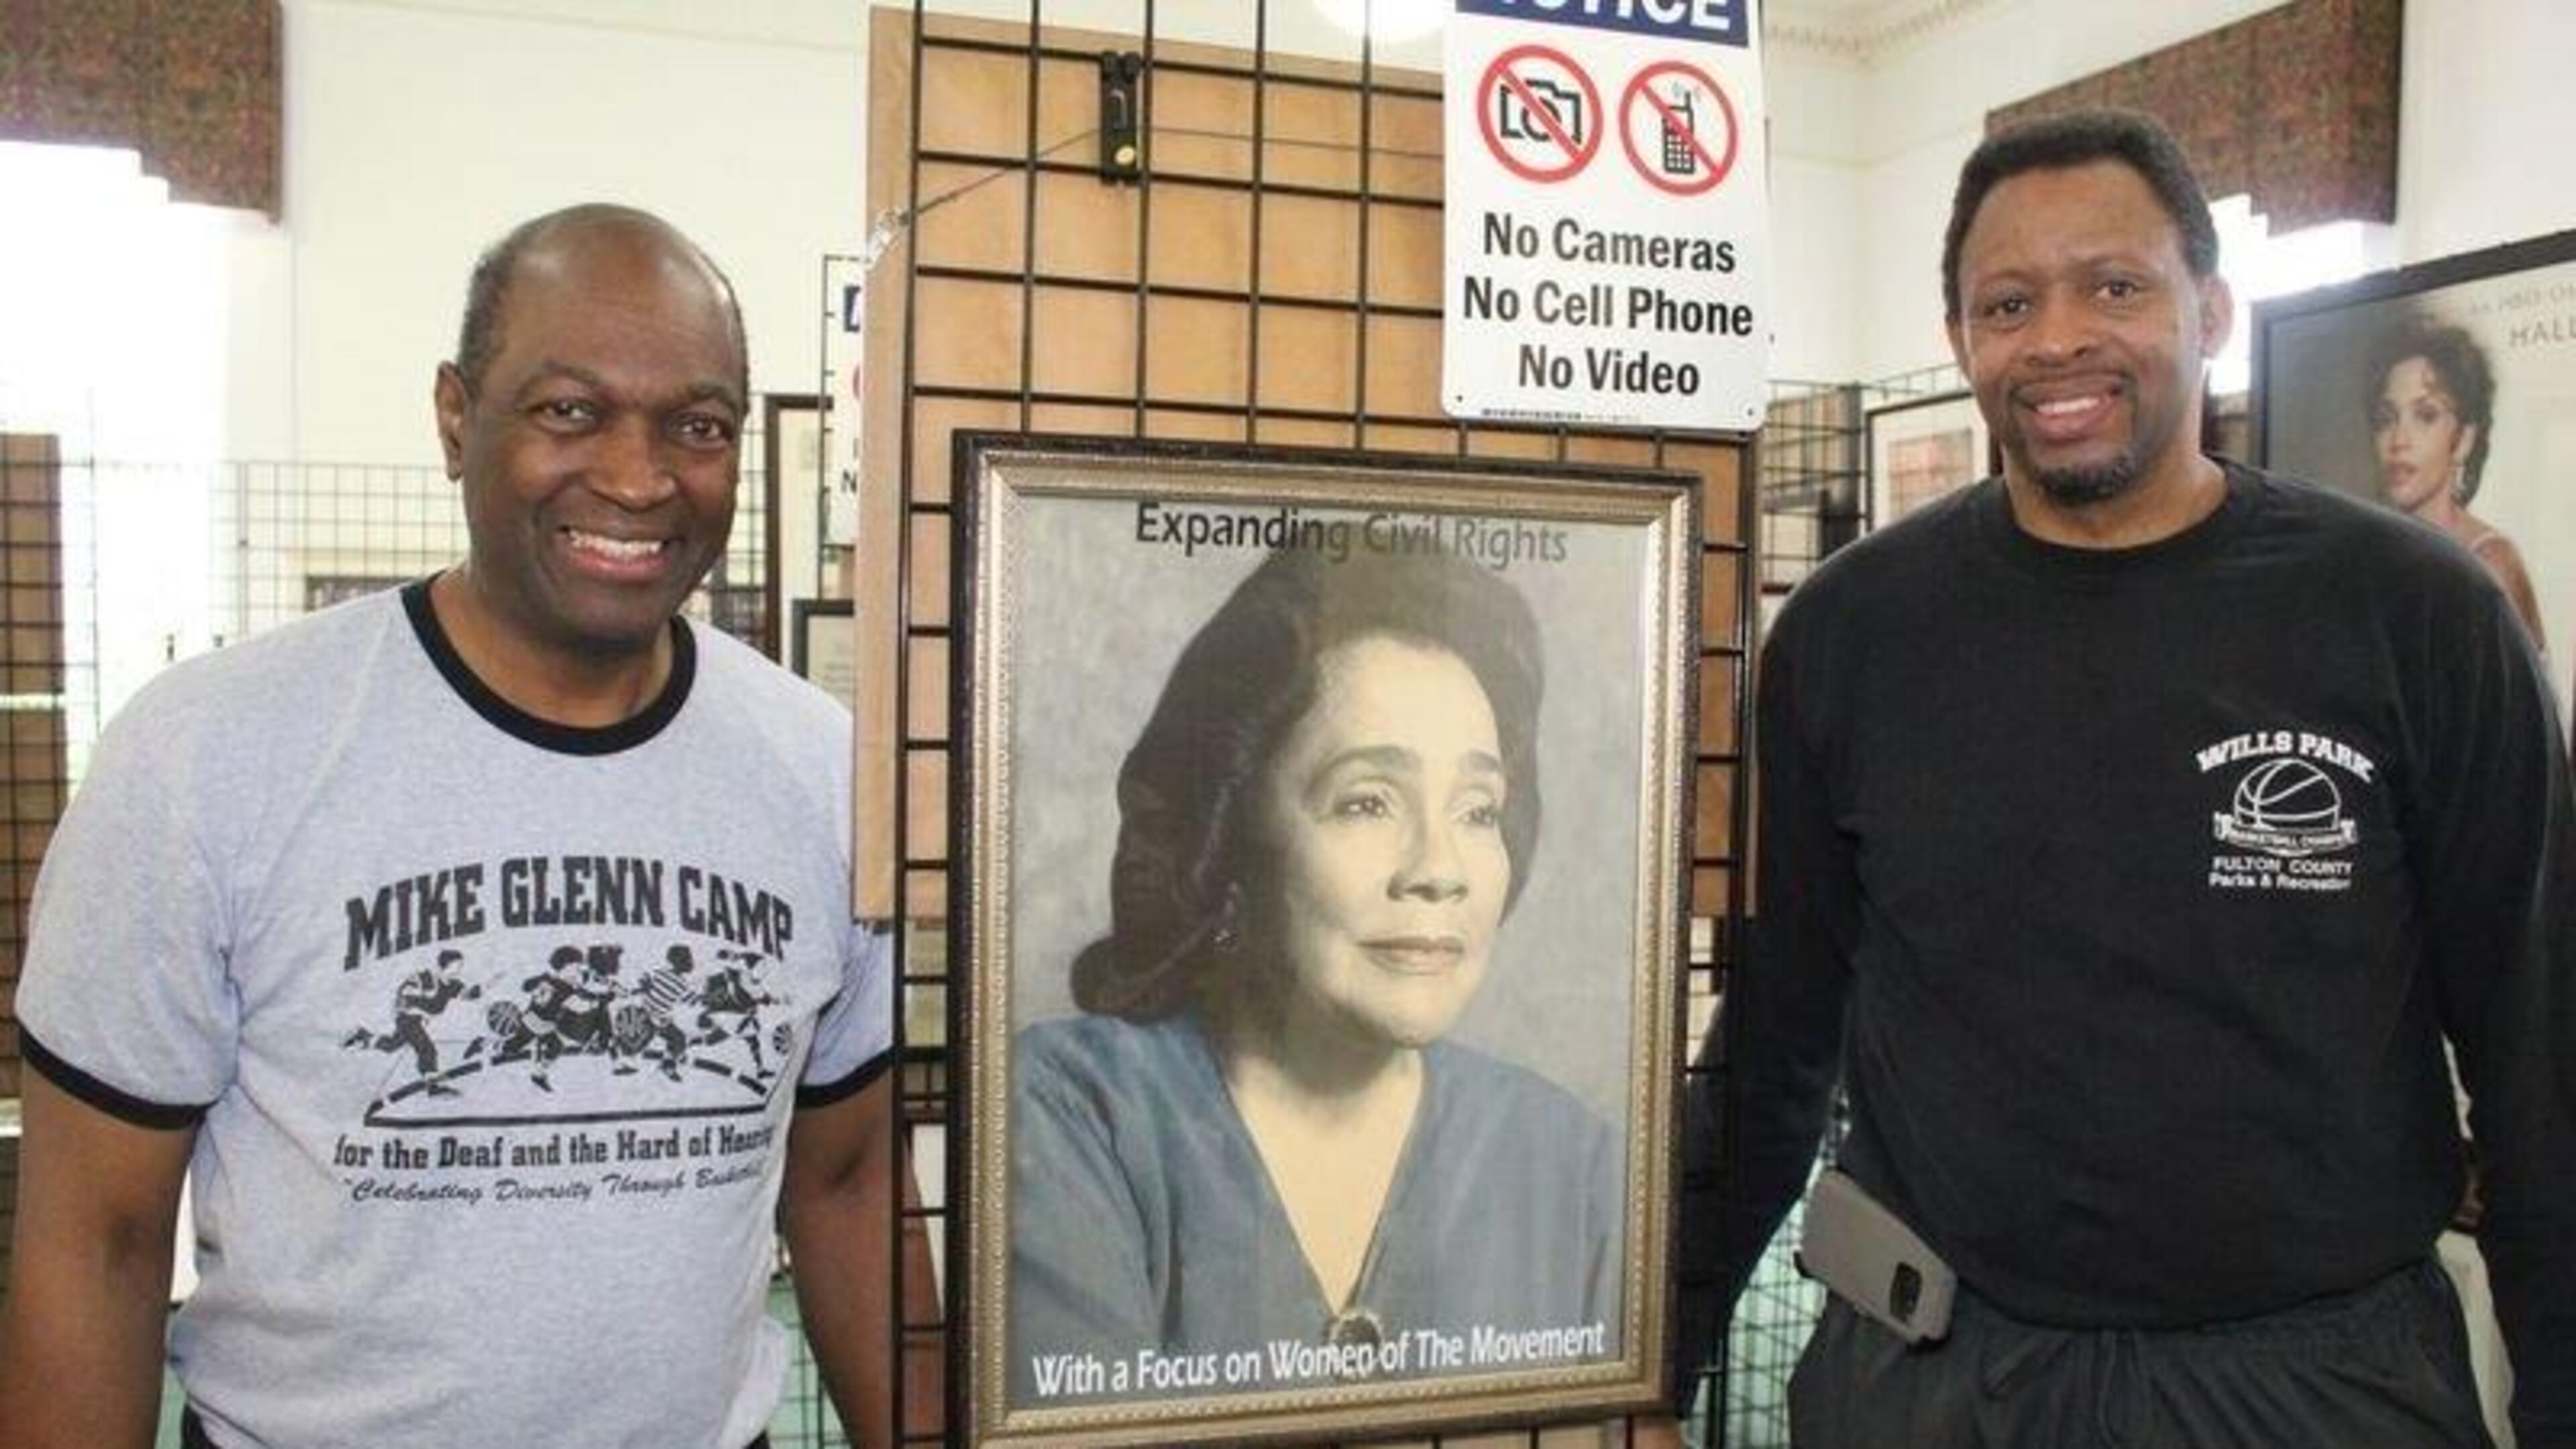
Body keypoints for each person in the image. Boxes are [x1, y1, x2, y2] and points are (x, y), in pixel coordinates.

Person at [1653, 110, 2573, 1449]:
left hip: (2313, 1385)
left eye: (2116, 287)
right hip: (1936, 1376)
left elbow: (2538, 1052)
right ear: (1967, 338)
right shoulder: (1854, 635)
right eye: (2009, 301)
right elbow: (1775, 1042)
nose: (2060, 338)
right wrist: (1656, 1363)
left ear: (2211, 307)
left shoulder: (2412, 615)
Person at [0, 205, 926, 1449]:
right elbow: (98, 1240)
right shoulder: (208, 759)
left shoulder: (826, 773)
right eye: (569, 411)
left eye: (695, 427)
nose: (640, 476)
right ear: (454, 419)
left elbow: (851, 1181)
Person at [1007, 544, 1625, 1407]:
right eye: (1367, 800)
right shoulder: (1074, 1113)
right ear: (1229, 834)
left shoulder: (1569, 1160)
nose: (1438, 869)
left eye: (1478, 810)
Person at [2365, 314, 2548, 651]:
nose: (2399, 440)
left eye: (2426, 415)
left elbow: (2516, 702)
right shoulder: (2366, 553)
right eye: (2386, 419)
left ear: (2464, 439)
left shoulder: (2491, 564)